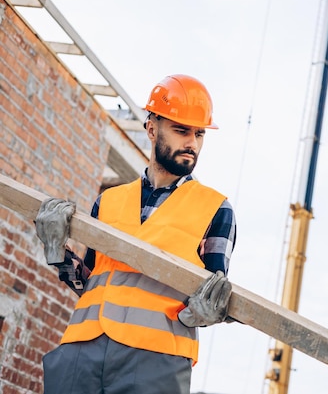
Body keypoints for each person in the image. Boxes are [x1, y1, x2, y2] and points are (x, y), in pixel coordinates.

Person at [35, 74, 237, 394]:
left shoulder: (216, 209)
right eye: (182, 130)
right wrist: (56, 249)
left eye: (199, 134)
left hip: (156, 360)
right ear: (153, 128)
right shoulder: (110, 200)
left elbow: (213, 294)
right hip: (83, 349)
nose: (192, 143)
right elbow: (90, 283)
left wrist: (203, 314)